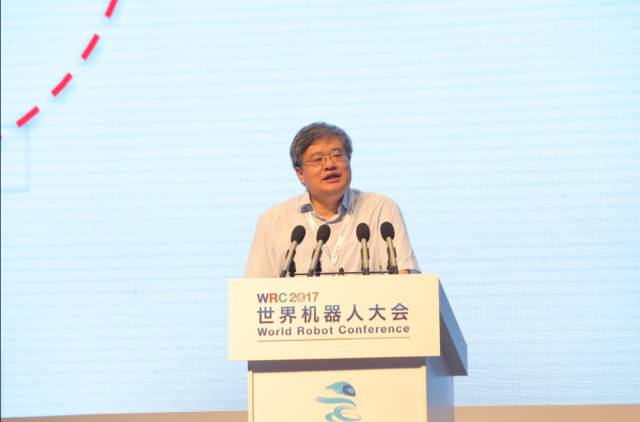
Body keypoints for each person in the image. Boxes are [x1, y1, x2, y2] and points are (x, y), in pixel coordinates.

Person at [244, 122, 419, 277]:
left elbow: (405, 281)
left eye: (337, 155)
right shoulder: (274, 220)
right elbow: (254, 293)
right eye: (318, 159)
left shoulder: (380, 209)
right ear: (300, 173)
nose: (329, 165)